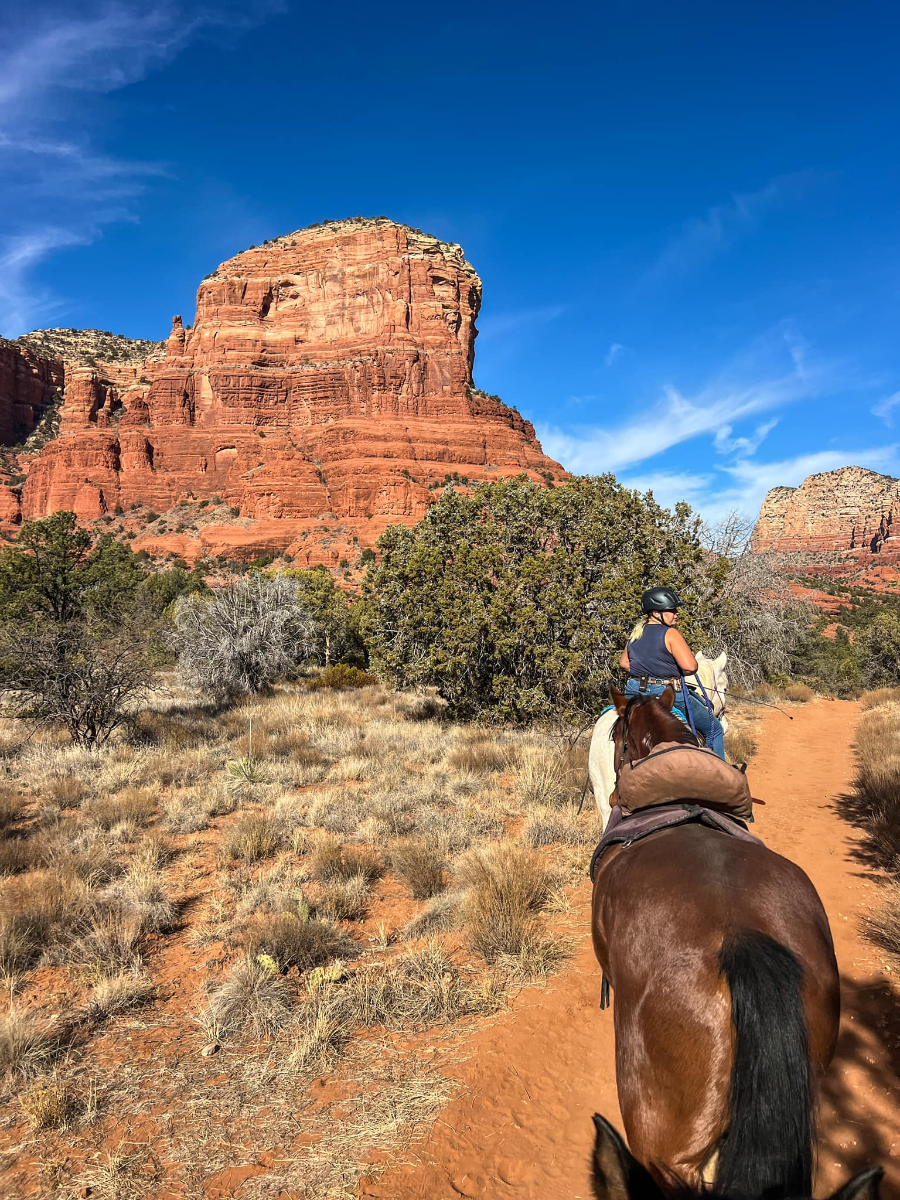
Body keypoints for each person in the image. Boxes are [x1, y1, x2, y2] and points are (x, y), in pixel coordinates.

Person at [619, 586, 725, 760]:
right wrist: (665, 673)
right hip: (666, 692)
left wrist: (646, 673)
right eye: (671, 610)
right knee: (714, 730)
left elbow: (624, 663)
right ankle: (720, 774)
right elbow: (690, 667)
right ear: (656, 613)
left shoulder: (636, 633)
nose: (676, 613)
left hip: (634, 690)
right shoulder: (670, 634)